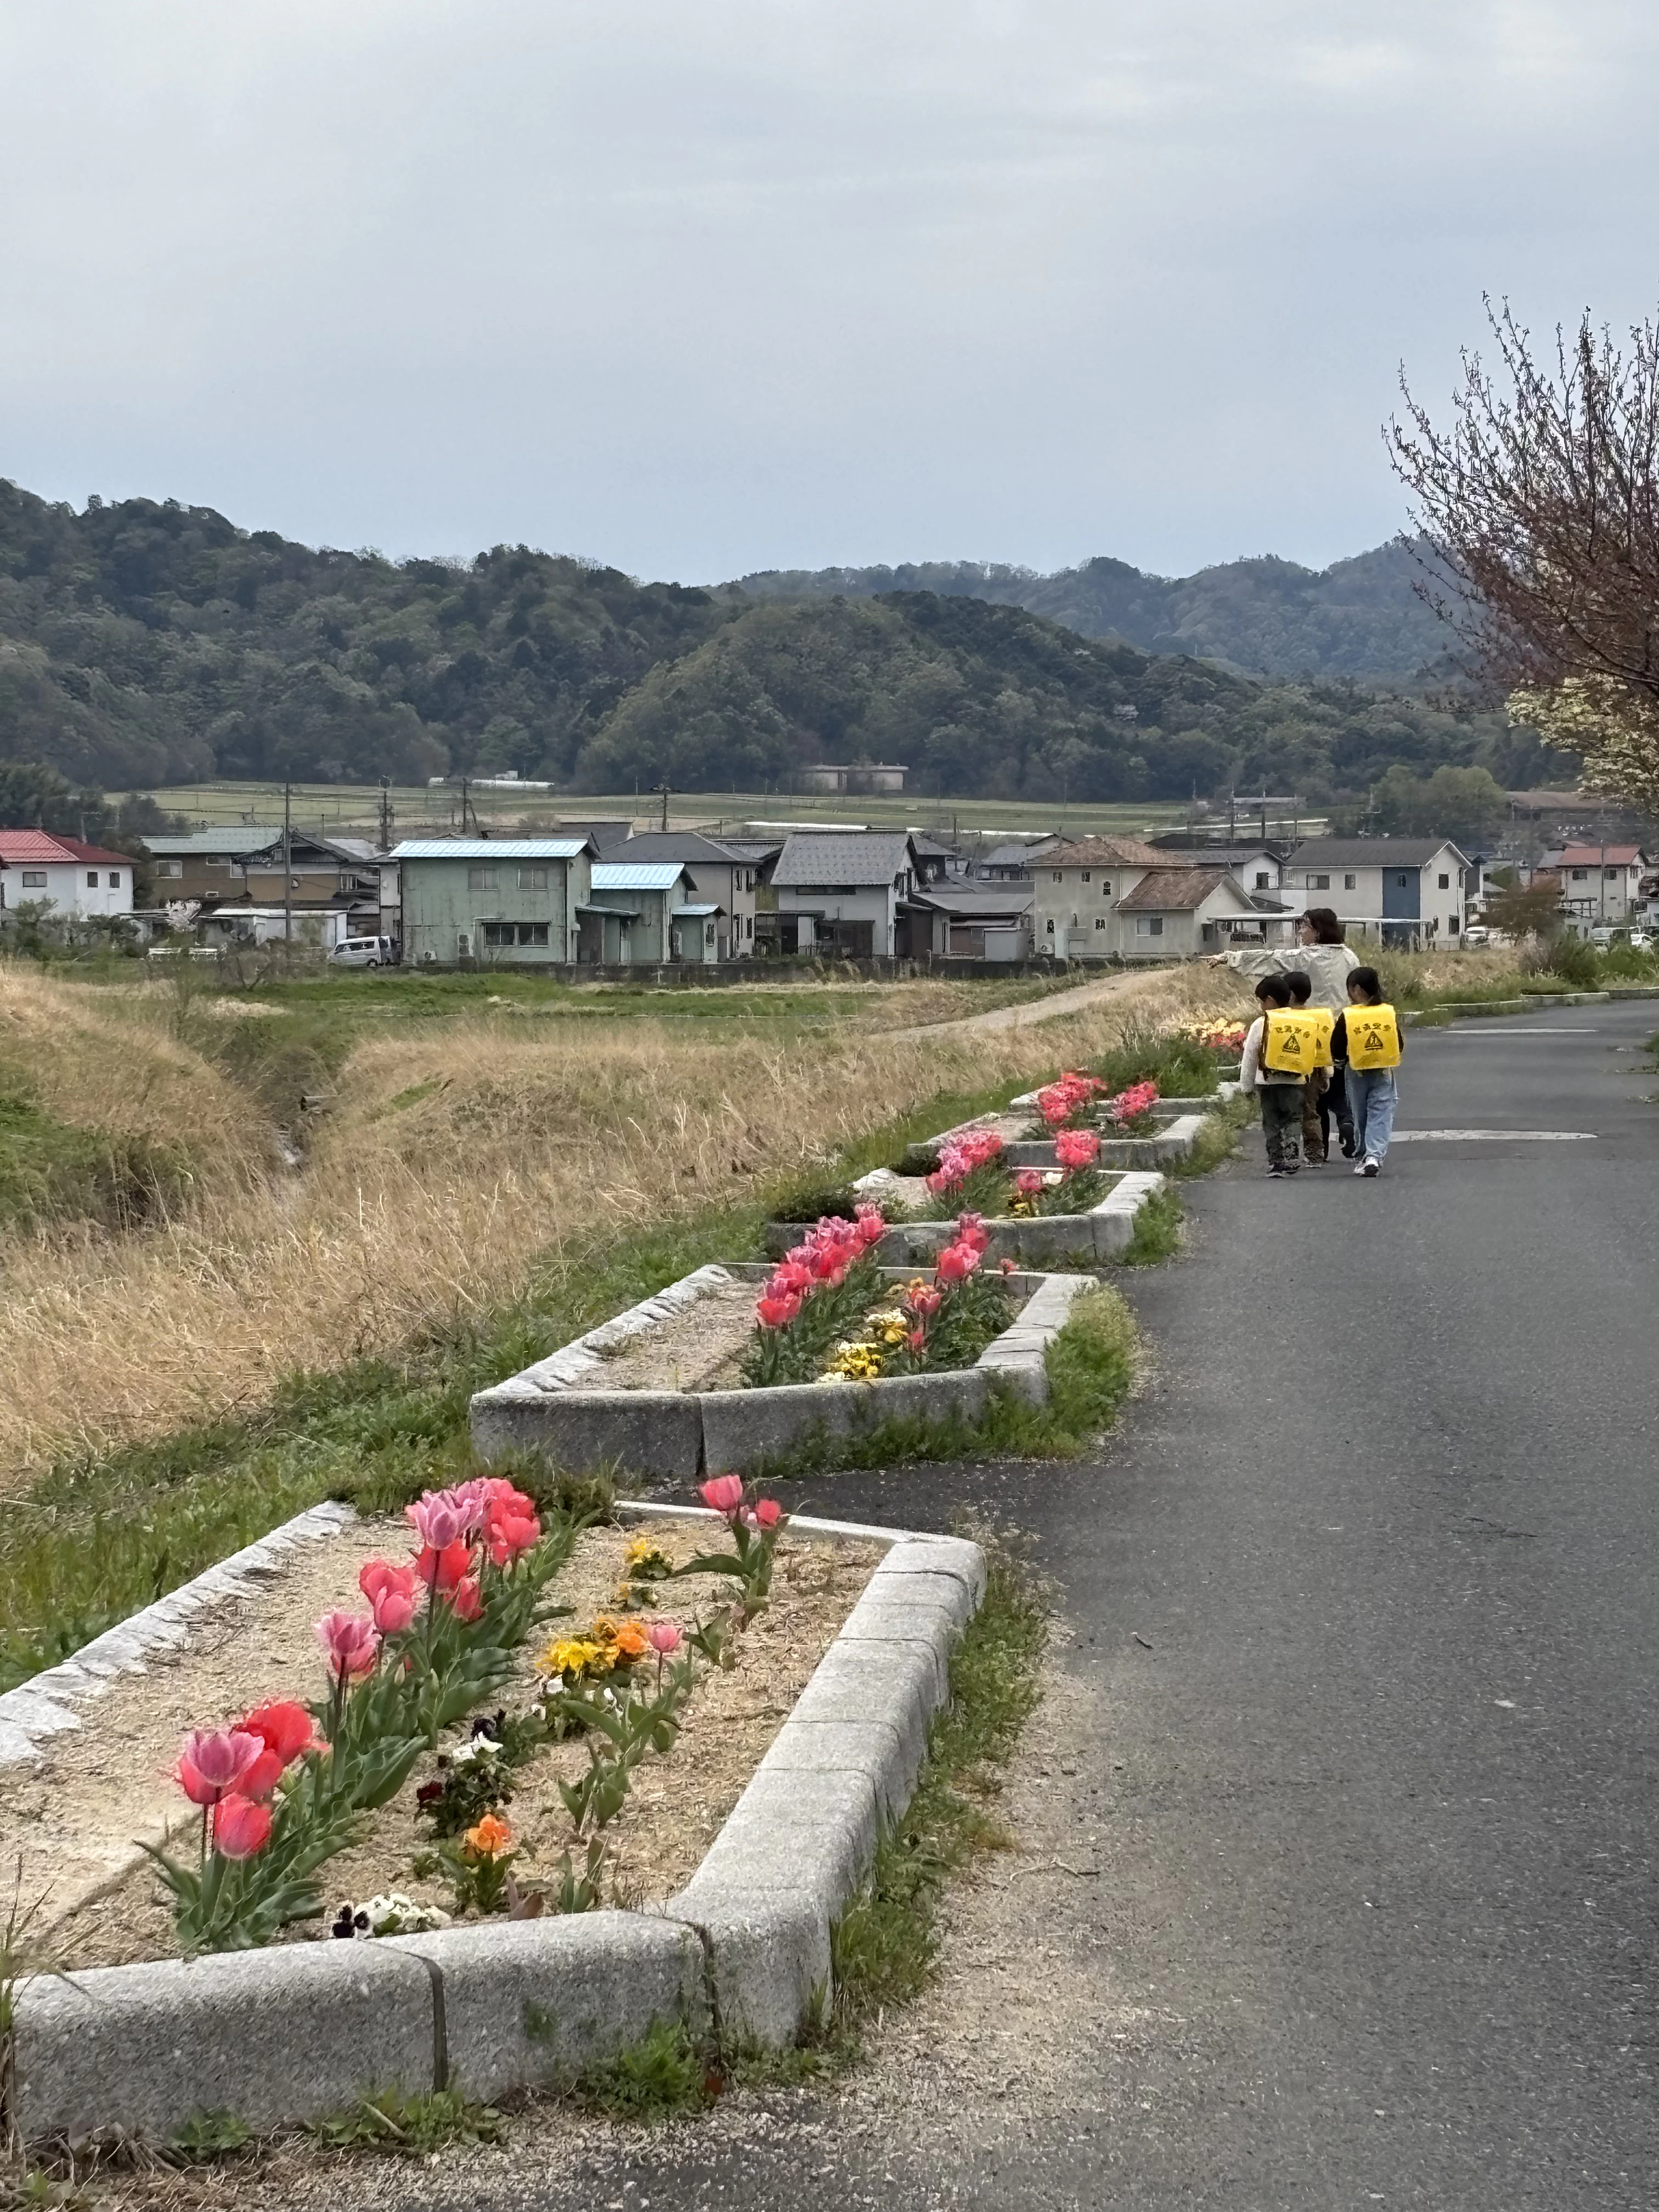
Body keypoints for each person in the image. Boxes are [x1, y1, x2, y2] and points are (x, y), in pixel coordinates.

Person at [1216, 908, 1359, 1155]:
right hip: (1342, 1031)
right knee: (1339, 1087)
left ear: (1318, 932)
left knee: (1312, 1095)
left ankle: (1320, 1151)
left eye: (1304, 927)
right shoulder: (1350, 958)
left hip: (1309, 1031)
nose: (1300, 932)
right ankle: (1347, 1120)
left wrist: (1230, 959)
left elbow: (1269, 959)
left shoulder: (1304, 958)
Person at [1338, 966, 1403, 1178]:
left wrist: (1339, 1062)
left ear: (1357, 989)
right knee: (1381, 1112)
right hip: (1383, 1070)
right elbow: (1398, 1043)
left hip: (1356, 1072)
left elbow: (1337, 1047)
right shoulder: (1387, 1013)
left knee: (1361, 1115)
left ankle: (1364, 1155)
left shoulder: (1349, 1016)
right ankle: (1374, 1156)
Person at [1239, 975, 1306, 1178]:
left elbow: (1250, 1056)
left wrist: (1246, 1086)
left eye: (1262, 1001)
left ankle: (1276, 1162)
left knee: (1272, 1123)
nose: (1261, 1006)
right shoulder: (1301, 1021)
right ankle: (1292, 1155)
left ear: (1270, 1000)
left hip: (1267, 1083)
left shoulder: (1261, 1024)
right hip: (1295, 1082)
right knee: (1293, 1119)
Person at [1285, 970, 1335, 1165]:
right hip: (1313, 1074)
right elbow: (1324, 1049)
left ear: (1290, 995)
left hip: (1287, 1072)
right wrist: (1327, 1074)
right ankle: (1314, 1154)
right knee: (1311, 1114)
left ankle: (1289, 1153)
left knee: (1288, 1115)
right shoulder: (1316, 1019)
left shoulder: (1281, 1019)